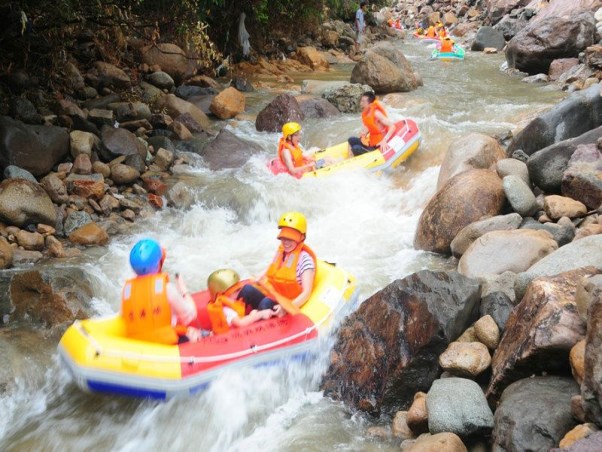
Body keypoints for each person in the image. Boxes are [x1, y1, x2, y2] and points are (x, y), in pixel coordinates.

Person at [121, 238, 202, 344]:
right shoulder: (166, 288)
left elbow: (123, 317)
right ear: (158, 264)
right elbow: (190, 315)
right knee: (196, 335)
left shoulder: (126, 290)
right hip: (163, 345)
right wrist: (183, 289)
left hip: (137, 346)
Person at [237, 211, 316, 316]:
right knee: (247, 290)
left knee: (266, 303)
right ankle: (235, 319)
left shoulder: (305, 260)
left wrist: (286, 307)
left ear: (301, 238)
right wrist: (259, 280)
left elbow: (306, 293)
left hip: (289, 303)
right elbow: (270, 274)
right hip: (274, 296)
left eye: (290, 239)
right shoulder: (282, 252)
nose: (285, 242)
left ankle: (256, 324)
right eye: (283, 238)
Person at [205, 269, 276, 334]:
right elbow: (241, 323)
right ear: (222, 296)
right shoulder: (226, 310)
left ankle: (274, 305)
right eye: (235, 291)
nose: (239, 292)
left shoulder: (227, 302)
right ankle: (276, 313)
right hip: (245, 331)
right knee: (266, 302)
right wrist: (260, 314)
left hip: (246, 316)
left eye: (238, 289)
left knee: (247, 289)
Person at [347, 91, 395, 157]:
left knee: (356, 148)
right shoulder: (367, 113)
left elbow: (392, 126)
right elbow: (371, 126)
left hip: (378, 145)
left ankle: (354, 160)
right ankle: (349, 159)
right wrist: (364, 134)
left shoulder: (377, 113)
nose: (361, 103)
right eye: (361, 101)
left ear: (370, 104)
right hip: (371, 142)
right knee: (351, 139)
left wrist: (384, 140)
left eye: (363, 102)